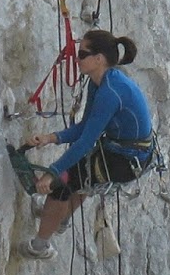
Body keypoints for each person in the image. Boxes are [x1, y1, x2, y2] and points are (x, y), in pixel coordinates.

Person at [16, 30, 155, 259]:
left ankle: (40, 247)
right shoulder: (98, 82)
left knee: (63, 183)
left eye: (82, 54)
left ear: (98, 59)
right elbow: (84, 127)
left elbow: (85, 142)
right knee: (81, 176)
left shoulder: (110, 92)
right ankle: (59, 218)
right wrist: (52, 137)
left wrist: (53, 172)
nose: (76, 59)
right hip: (126, 152)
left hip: (127, 160)